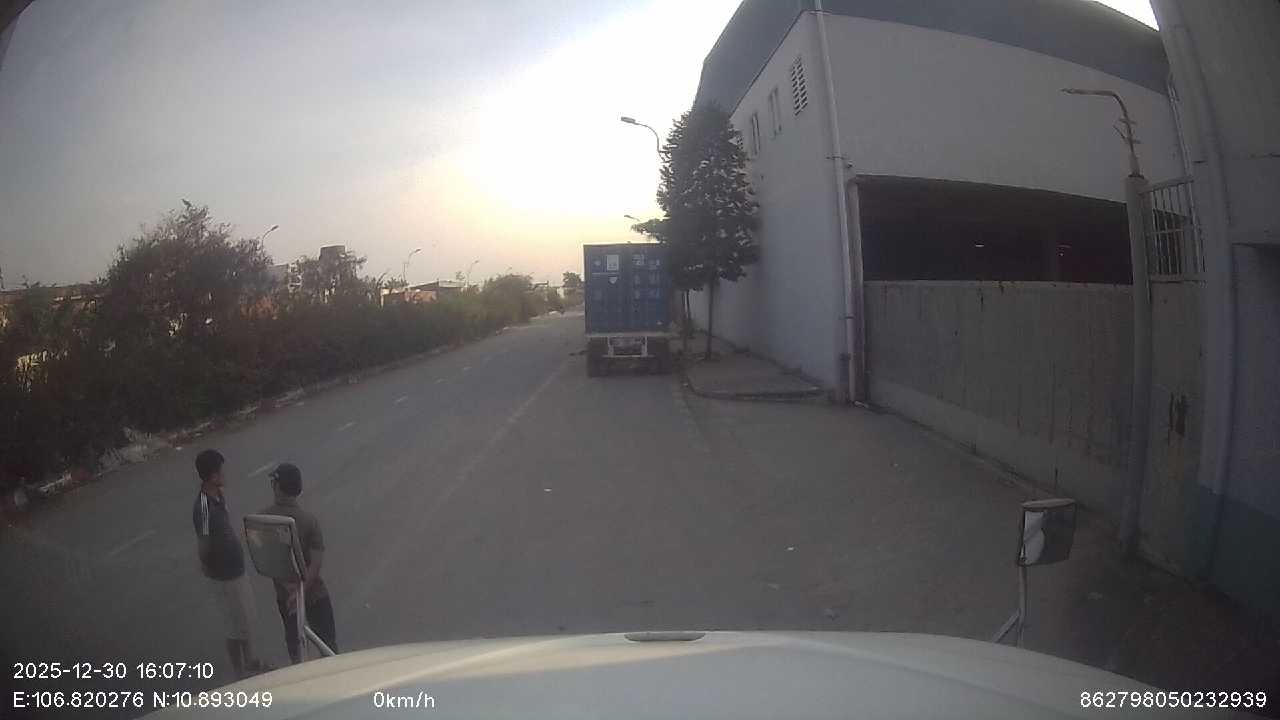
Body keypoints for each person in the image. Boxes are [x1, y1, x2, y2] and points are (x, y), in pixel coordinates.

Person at [192, 449, 268, 678]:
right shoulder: (204, 507)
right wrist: (209, 565)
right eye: (221, 471)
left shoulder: (218, 496)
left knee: (244, 619)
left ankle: (250, 660)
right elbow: (204, 542)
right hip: (223, 575)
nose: (225, 475)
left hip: (235, 569)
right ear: (213, 476)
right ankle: (239, 671)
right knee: (233, 625)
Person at [261, 463, 337, 662]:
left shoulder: (264, 520)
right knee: (328, 646)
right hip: (315, 593)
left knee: (296, 650)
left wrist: (290, 591)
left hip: (286, 598)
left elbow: (266, 560)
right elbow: (316, 563)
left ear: (277, 487)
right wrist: (301, 590)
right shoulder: (309, 521)